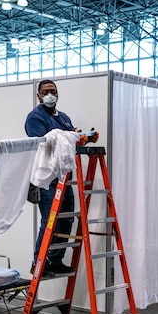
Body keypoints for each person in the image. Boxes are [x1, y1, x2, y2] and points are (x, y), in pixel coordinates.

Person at [24, 79, 97, 275]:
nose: (50, 95)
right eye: (46, 91)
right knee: (50, 219)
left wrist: (84, 138)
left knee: (66, 220)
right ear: (38, 95)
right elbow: (45, 143)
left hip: (65, 177)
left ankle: (55, 259)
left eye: (53, 91)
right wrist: (72, 137)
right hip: (47, 179)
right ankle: (39, 262)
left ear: (58, 94)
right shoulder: (35, 118)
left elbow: (68, 141)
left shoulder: (64, 117)